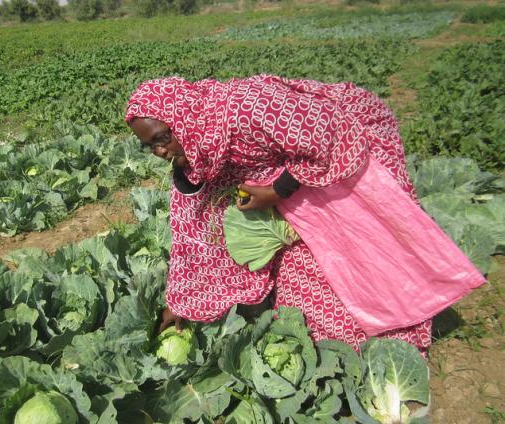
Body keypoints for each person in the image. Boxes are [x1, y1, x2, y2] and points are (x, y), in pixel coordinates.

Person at [124, 74, 472, 356]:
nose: (160, 151)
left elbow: (332, 131)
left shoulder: (248, 108)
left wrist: (278, 189)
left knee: (370, 254)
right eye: (150, 146)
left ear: (183, 117)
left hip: (345, 153)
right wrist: (180, 302)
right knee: (310, 317)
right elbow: (194, 231)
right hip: (298, 178)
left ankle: (410, 312)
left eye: (163, 138)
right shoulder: (198, 152)